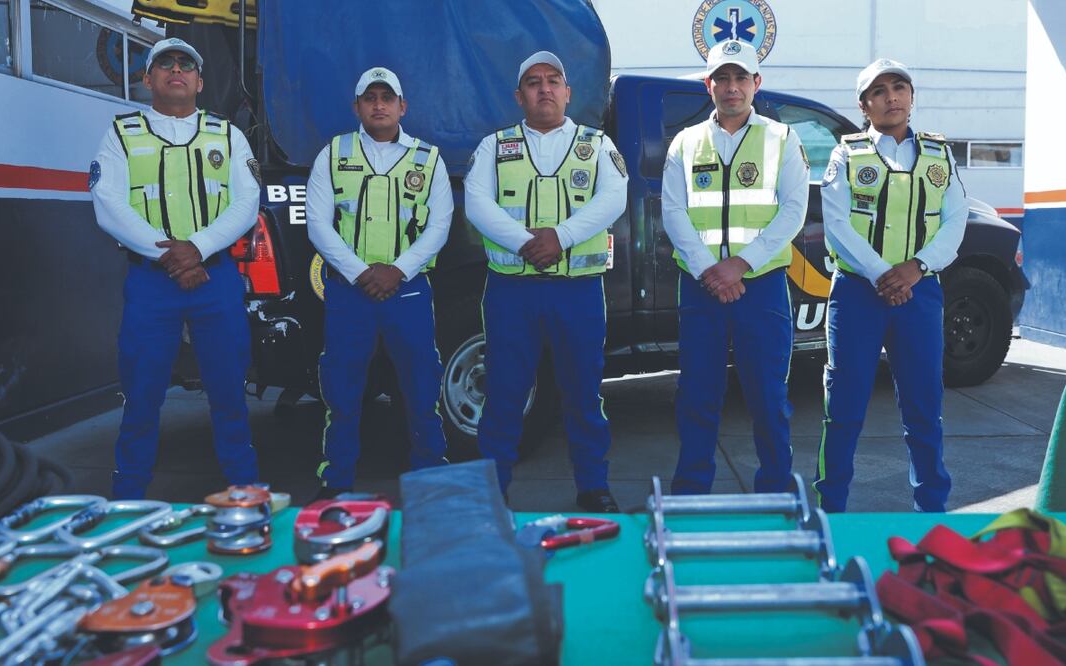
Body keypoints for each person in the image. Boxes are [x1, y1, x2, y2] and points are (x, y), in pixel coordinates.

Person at [90, 38, 260, 499]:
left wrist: (198, 248)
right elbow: (109, 205)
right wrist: (173, 257)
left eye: (187, 64)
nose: (177, 70)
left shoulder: (227, 135)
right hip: (152, 282)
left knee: (229, 391)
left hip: (215, 278)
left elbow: (246, 203)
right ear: (148, 79)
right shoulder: (122, 134)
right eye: (165, 64)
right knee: (142, 395)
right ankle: (127, 500)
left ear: (200, 82)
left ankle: (245, 493)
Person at [464, 51, 628, 512]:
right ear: (519, 96)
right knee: (503, 393)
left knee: (583, 394)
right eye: (533, 82)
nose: (544, 89)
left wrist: (561, 237)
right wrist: (525, 243)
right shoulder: (494, 147)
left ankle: (593, 487)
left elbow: (614, 197)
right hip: (513, 291)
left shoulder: (597, 145)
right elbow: (477, 203)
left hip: (577, 291)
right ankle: (492, 492)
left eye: (553, 80)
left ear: (568, 92)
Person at [814, 58, 967, 512]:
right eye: (878, 91)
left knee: (924, 409)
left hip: (920, 294)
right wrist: (884, 273)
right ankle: (831, 512)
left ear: (912, 97)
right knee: (843, 408)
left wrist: (916, 268)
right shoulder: (847, 154)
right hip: (857, 294)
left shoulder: (939, 154)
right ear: (864, 106)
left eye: (899, 87)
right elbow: (837, 223)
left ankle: (930, 511)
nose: (891, 97)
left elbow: (956, 219)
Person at [661, 40, 809, 495]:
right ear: (708, 85)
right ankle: (690, 492)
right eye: (722, 78)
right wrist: (711, 270)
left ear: (756, 83)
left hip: (760, 287)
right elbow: (673, 211)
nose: (732, 87)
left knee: (768, 397)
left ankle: (776, 491)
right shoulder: (685, 143)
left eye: (741, 77)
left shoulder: (782, 139)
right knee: (697, 396)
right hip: (701, 287)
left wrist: (741, 264)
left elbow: (793, 211)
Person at [306, 67, 452, 497]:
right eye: (370, 98)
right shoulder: (333, 154)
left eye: (387, 97)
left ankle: (430, 480)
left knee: (422, 390)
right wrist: (360, 272)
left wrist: (398, 270)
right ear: (357, 107)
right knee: (342, 392)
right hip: (350, 293)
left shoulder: (428, 158)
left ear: (402, 106)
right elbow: (318, 224)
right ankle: (336, 482)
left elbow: (439, 226)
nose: (379, 105)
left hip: (408, 291)